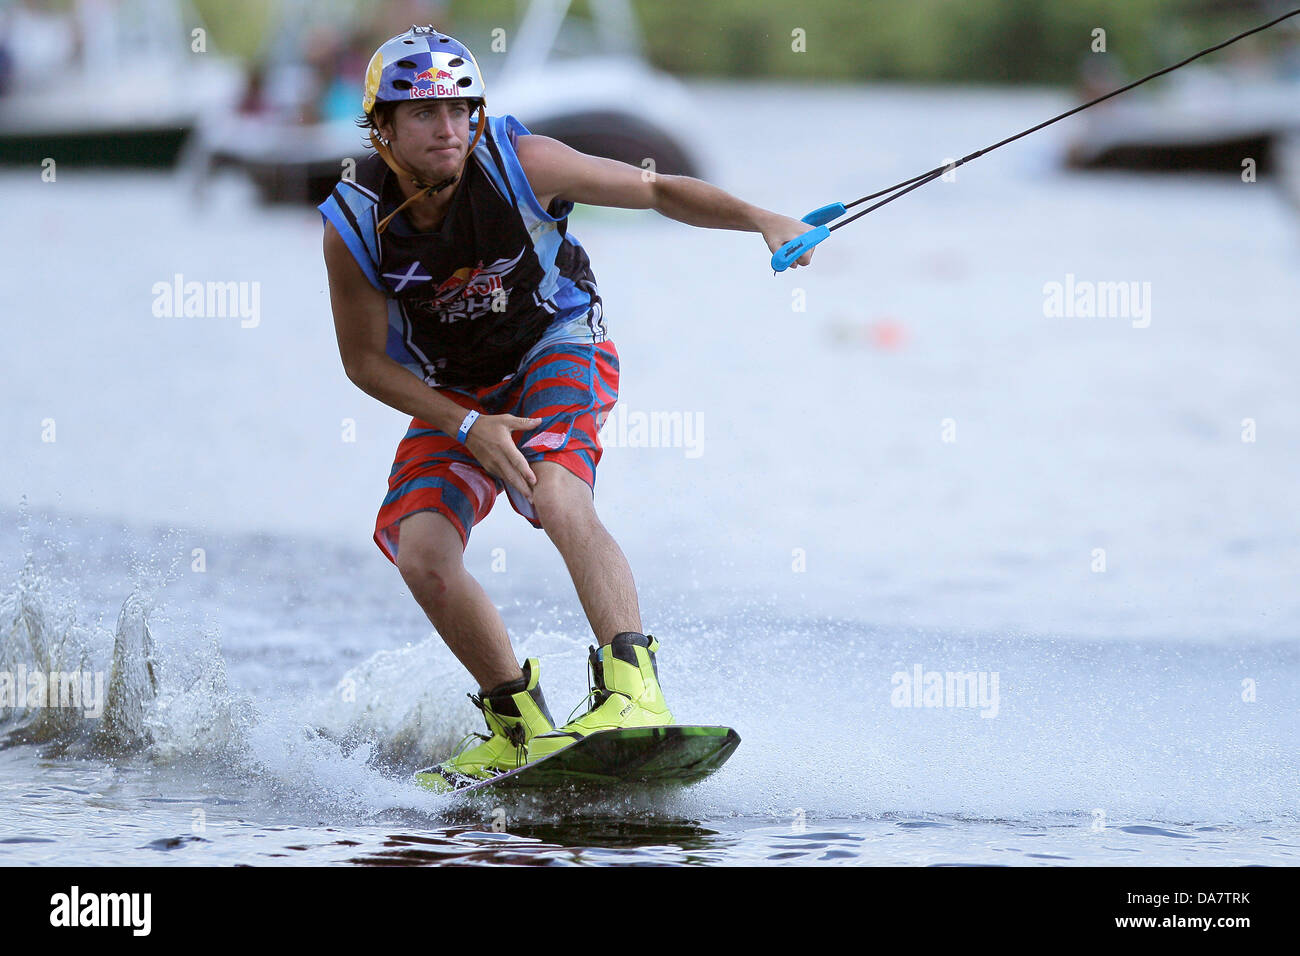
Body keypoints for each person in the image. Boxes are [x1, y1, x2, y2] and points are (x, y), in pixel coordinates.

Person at [319, 25, 814, 790]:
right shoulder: (351, 226)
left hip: (557, 344)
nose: (447, 128)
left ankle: (632, 687)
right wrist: (467, 425)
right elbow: (364, 362)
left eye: (459, 110)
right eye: (422, 113)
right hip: (457, 395)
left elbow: (652, 190)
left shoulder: (524, 163)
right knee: (421, 553)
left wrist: (764, 221)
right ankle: (518, 726)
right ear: (382, 127)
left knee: (556, 490)